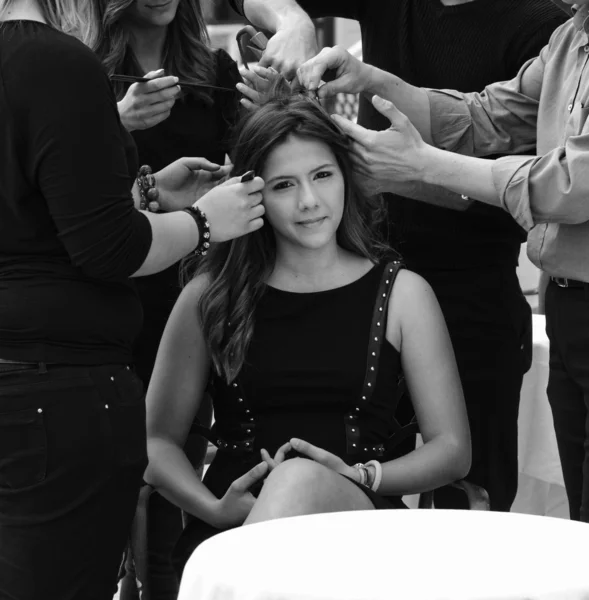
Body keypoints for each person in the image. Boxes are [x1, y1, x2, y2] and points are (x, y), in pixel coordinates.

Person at [229, 0, 568, 511]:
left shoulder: (549, 25)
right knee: (340, 502)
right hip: (358, 294)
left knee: (469, 508)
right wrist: (293, 20)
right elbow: (476, 114)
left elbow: (529, 195)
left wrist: (412, 175)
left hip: (473, 305)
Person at [144, 83, 471, 579]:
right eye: (283, 185)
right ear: (253, 194)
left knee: (296, 478)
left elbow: (452, 450)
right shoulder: (211, 295)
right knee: (283, 496)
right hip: (233, 526)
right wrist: (211, 509)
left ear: (346, 177)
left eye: (322, 175)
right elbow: (154, 440)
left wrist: (365, 473)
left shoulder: (402, 292)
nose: (309, 201)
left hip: (360, 525)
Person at [0, 0, 265, 598]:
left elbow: (38, 214)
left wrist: (143, 192)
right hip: (52, 397)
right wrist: (204, 221)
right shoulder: (58, 65)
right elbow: (110, 248)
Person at [87, 2, 242, 597]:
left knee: (176, 462)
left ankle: (159, 584)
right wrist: (116, 121)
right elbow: (73, 190)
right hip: (114, 298)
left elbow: (236, 171)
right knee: (112, 474)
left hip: (196, 297)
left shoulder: (215, 71)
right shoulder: (86, 76)